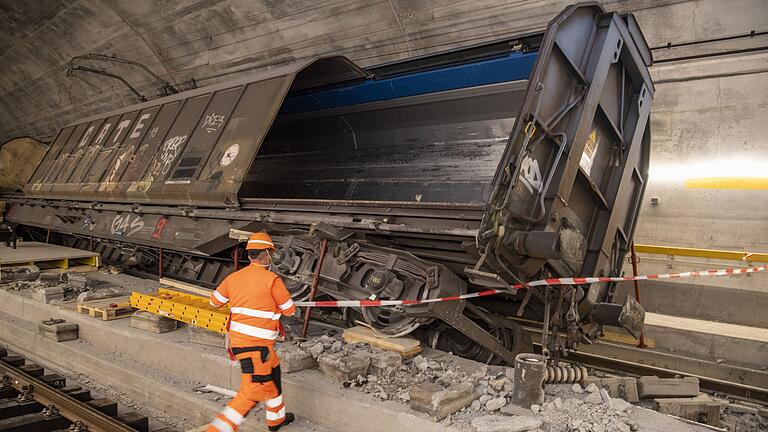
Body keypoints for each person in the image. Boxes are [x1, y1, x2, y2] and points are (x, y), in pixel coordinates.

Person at [206, 232, 296, 432]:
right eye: (271, 253)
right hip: (256, 348)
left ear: (250, 256)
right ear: (266, 254)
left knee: (273, 376)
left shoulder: (233, 278)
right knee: (251, 393)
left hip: (246, 345)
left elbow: (214, 302)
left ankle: (276, 420)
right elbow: (290, 310)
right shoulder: (272, 280)